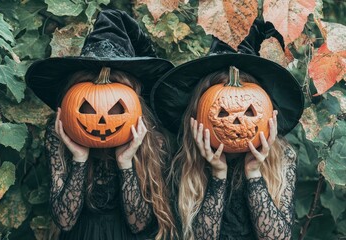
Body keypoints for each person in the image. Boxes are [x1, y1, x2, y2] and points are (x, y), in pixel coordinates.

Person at [26, 9, 177, 240]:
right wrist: (79, 158)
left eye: (116, 106)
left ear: (133, 100)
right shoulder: (59, 132)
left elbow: (139, 224)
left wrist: (126, 162)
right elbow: (65, 220)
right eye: (87, 107)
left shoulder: (148, 136)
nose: (102, 120)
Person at [150, 19, 304, 239]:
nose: (237, 123)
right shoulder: (185, 161)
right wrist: (218, 175)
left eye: (249, 112)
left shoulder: (282, 157)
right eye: (222, 113)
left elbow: (277, 237)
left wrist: (254, 173)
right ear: (199, 115)